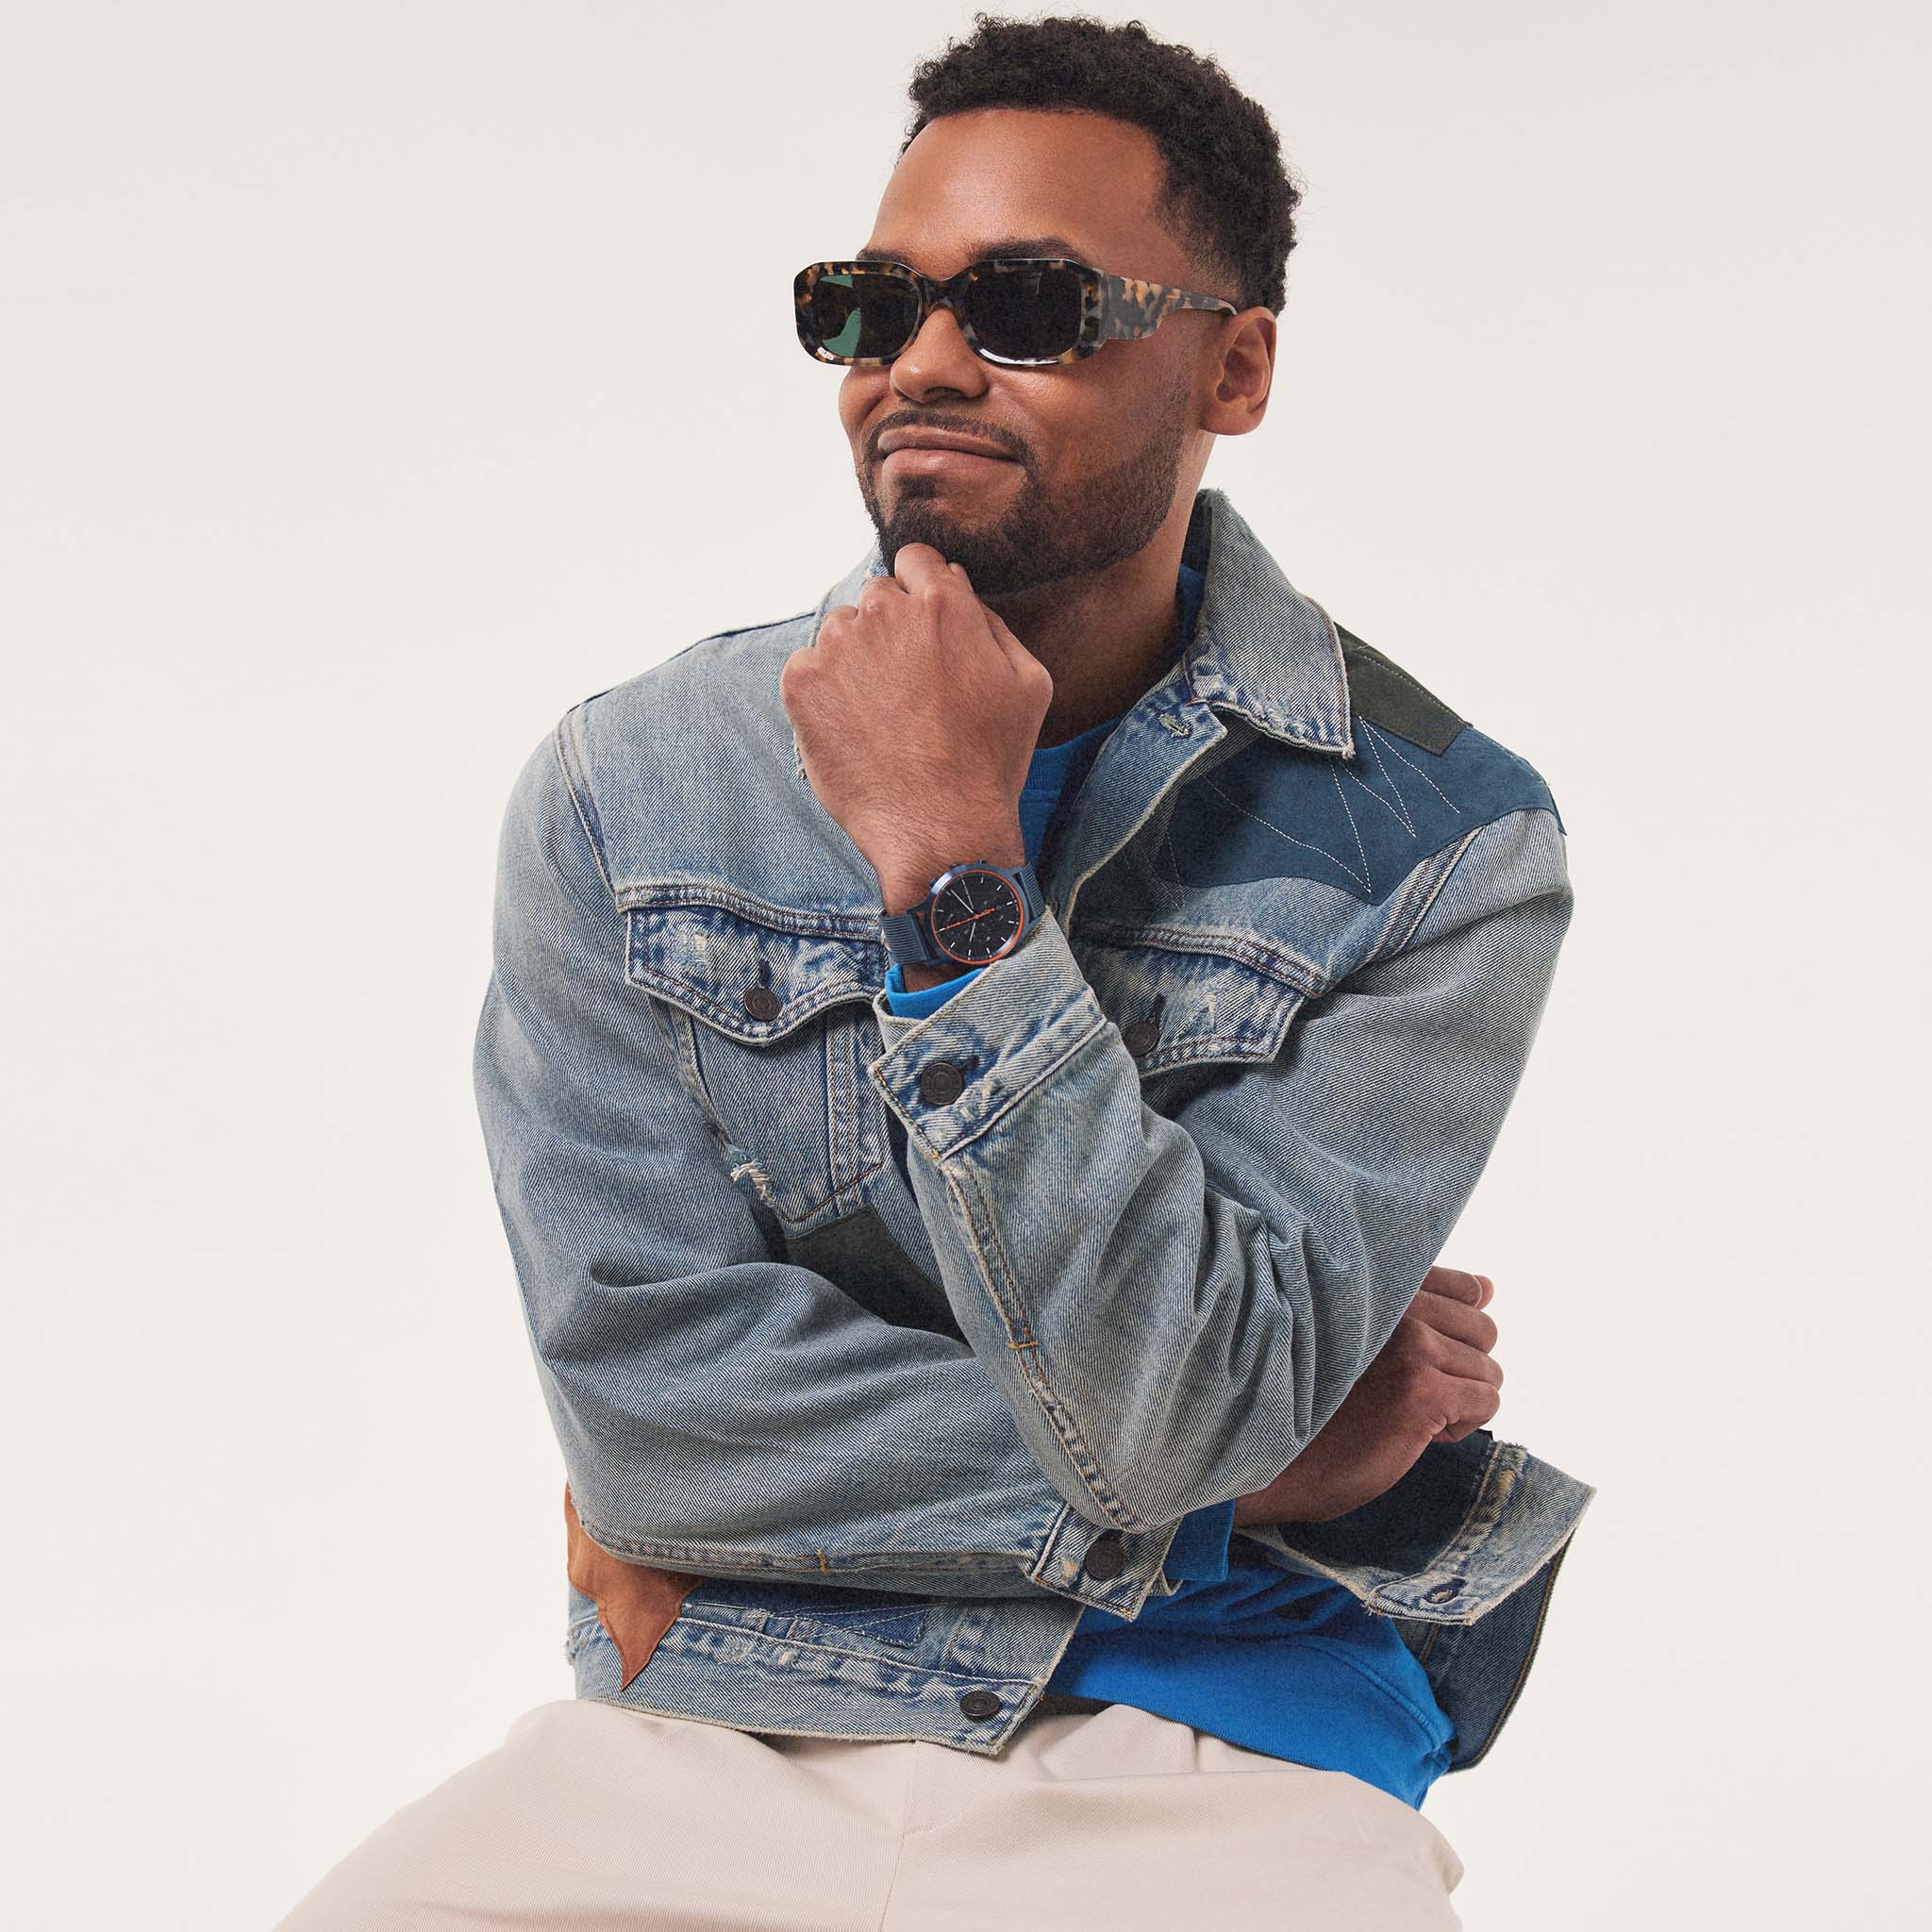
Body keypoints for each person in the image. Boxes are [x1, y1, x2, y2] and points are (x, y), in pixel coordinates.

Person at [272, 14, 1593, 1928]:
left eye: (1031, 305)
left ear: (1233, 368)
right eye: (871, 306)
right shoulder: (633, 788)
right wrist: (1240, 1475)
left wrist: (952, 871)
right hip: (735, 1710)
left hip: (1223, 1735)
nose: (923, 364)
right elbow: (656, 1423)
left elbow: (1169, 1405)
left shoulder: (1441, 842)